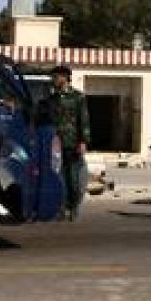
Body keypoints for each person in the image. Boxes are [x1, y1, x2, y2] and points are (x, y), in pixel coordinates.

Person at [43, 65, 89, 221]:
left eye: (55, 77)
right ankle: (61, 208)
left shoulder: (78, 97)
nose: (53, 80)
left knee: (73, 179)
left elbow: (84, 120)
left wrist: (82, 141)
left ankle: (73, 206)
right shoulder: (51, 99)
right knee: (58, 178)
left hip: (72, 143)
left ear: (64, 78)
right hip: (54, 144)